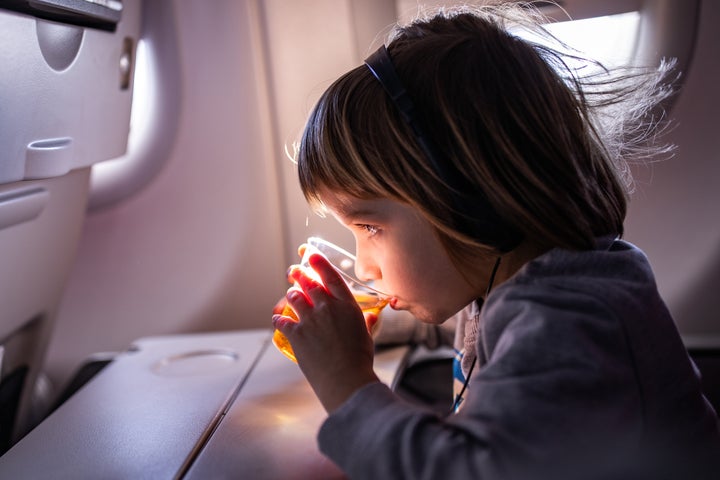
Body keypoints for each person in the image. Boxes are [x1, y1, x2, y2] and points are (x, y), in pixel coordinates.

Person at [271, 4, 720, 478]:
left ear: (468, 200)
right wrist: (343, 327)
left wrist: (347, 384)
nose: (364, 268)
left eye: (370, 228)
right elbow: (458, 324)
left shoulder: (569, 327)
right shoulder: (503, 278)